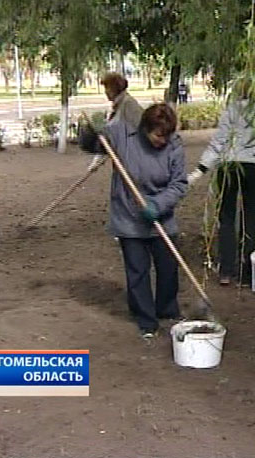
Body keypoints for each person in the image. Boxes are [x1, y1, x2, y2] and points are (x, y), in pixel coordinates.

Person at [79, 104, 187, 338]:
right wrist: (89, 132)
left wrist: (157, 205)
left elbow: (179, 184)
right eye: (158, 135)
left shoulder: (174, 144)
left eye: (167, 135)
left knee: (168, 268)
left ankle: (167, 309)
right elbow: (91, 145)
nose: (163, 141)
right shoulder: (121, 135)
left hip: (162, 216)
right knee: (137, 270)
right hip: (129, 216)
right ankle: (146, 320)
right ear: (145, 129)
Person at [187, 78, 255, 286]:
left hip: (229, 165)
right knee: (250, 216)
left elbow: (219, 141)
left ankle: (226, 270)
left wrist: (200, 170)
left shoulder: (231, 110)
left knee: (226, 217)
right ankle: (246, 273)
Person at [87, 72, 143, 171]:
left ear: (115, 88)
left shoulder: (128, 104)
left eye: (107, 88)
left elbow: (139, 130)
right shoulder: (118, 106)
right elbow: (110, 138)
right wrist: (97, 161)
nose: (106, 92)